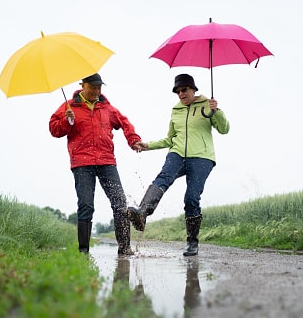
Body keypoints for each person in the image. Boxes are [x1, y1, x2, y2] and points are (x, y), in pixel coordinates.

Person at [128, 73, 230, 256]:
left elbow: (224, 129)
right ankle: (142, 213)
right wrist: (148, 145)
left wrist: (217, 111)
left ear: (193, 89)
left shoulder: (207, 105)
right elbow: (170, 139)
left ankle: (192, 242)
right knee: (164, 176)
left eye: (184, 90)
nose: (181, 94)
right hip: (177, 153)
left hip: (201, 157)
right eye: (178, 91)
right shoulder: (176, 110)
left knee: (191, 197)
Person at [49, 73, 141, 256]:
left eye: (99, 87)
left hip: (107, 161)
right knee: (86, 205)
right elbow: (54, 130)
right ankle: (83, 252)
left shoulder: (106, 107)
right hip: (82, 163)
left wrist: (133, 140)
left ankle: (125, 248)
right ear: (83, 85)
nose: (97, 91)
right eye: (93, 87)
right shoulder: (69, 106)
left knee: (119, 202)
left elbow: (124, 122)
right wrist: (66, 120)